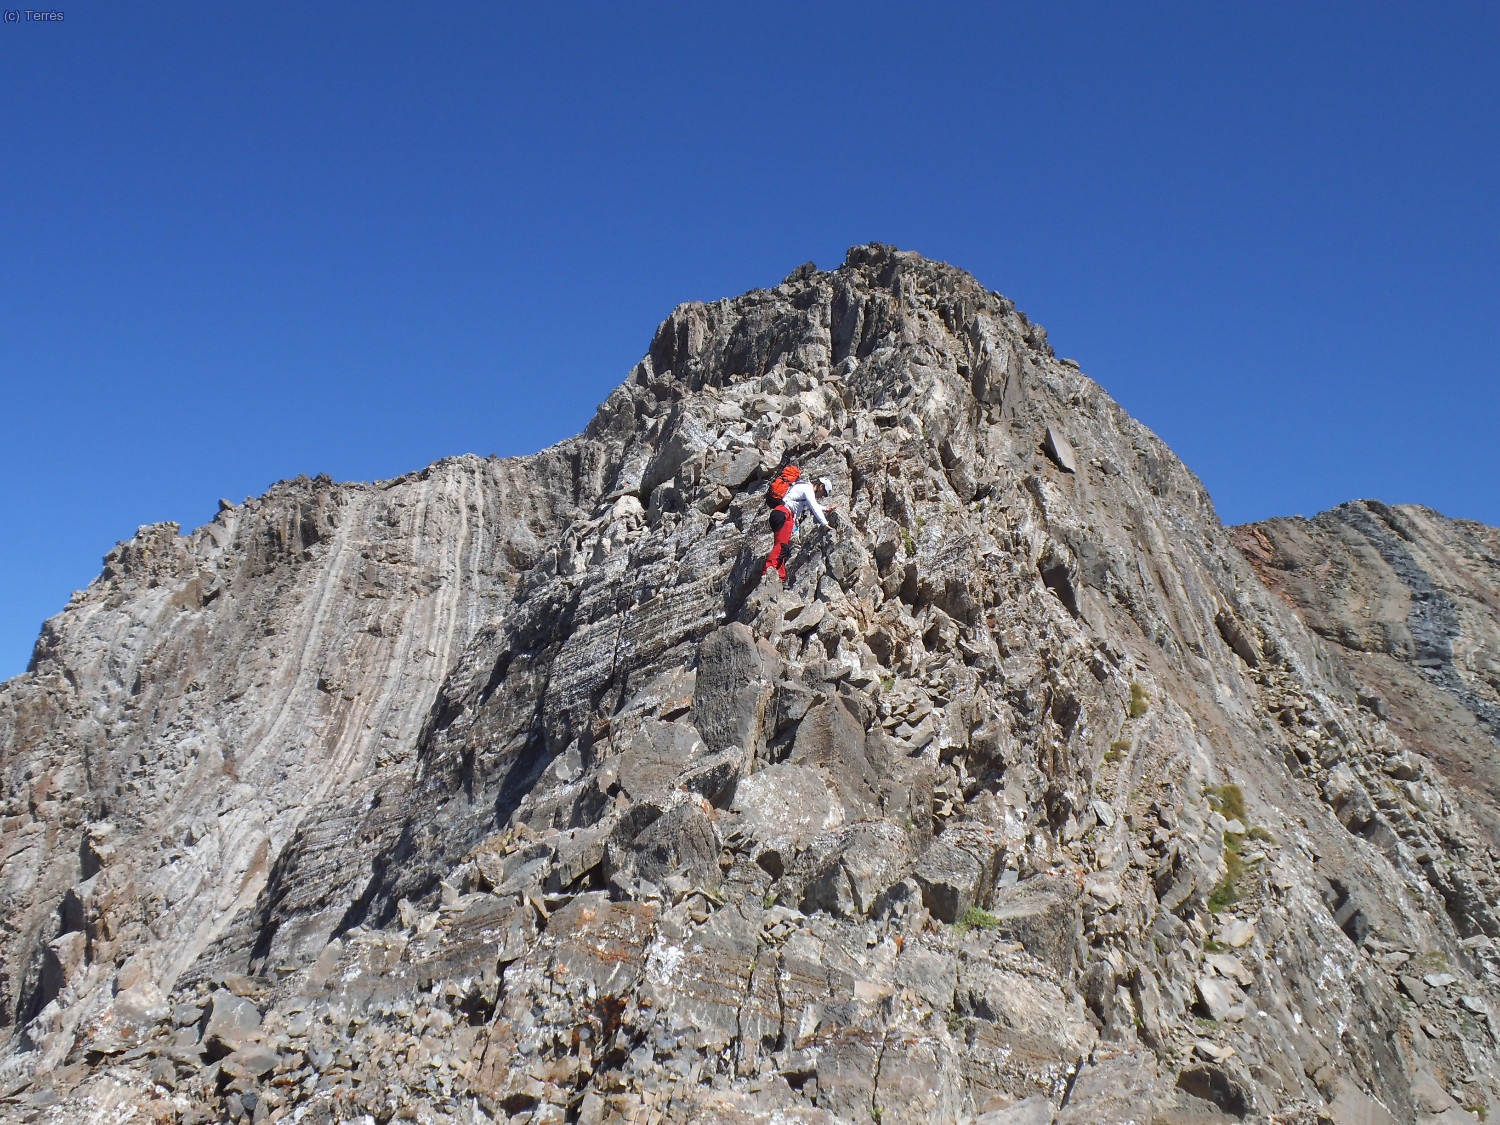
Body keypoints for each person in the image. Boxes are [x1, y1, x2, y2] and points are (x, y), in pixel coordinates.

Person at [762, 476, 835, 583]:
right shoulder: (807, 489)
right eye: (823, 494)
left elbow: (812, 505)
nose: (821, 497)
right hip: (784, 514)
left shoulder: (803, 488)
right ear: (821, 486)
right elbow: (813, 506)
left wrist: (826, 509)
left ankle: (780, 578)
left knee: (783, 548)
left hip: (782, 514)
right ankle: (767, 574)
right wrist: (825, 523)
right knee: (781, 547)